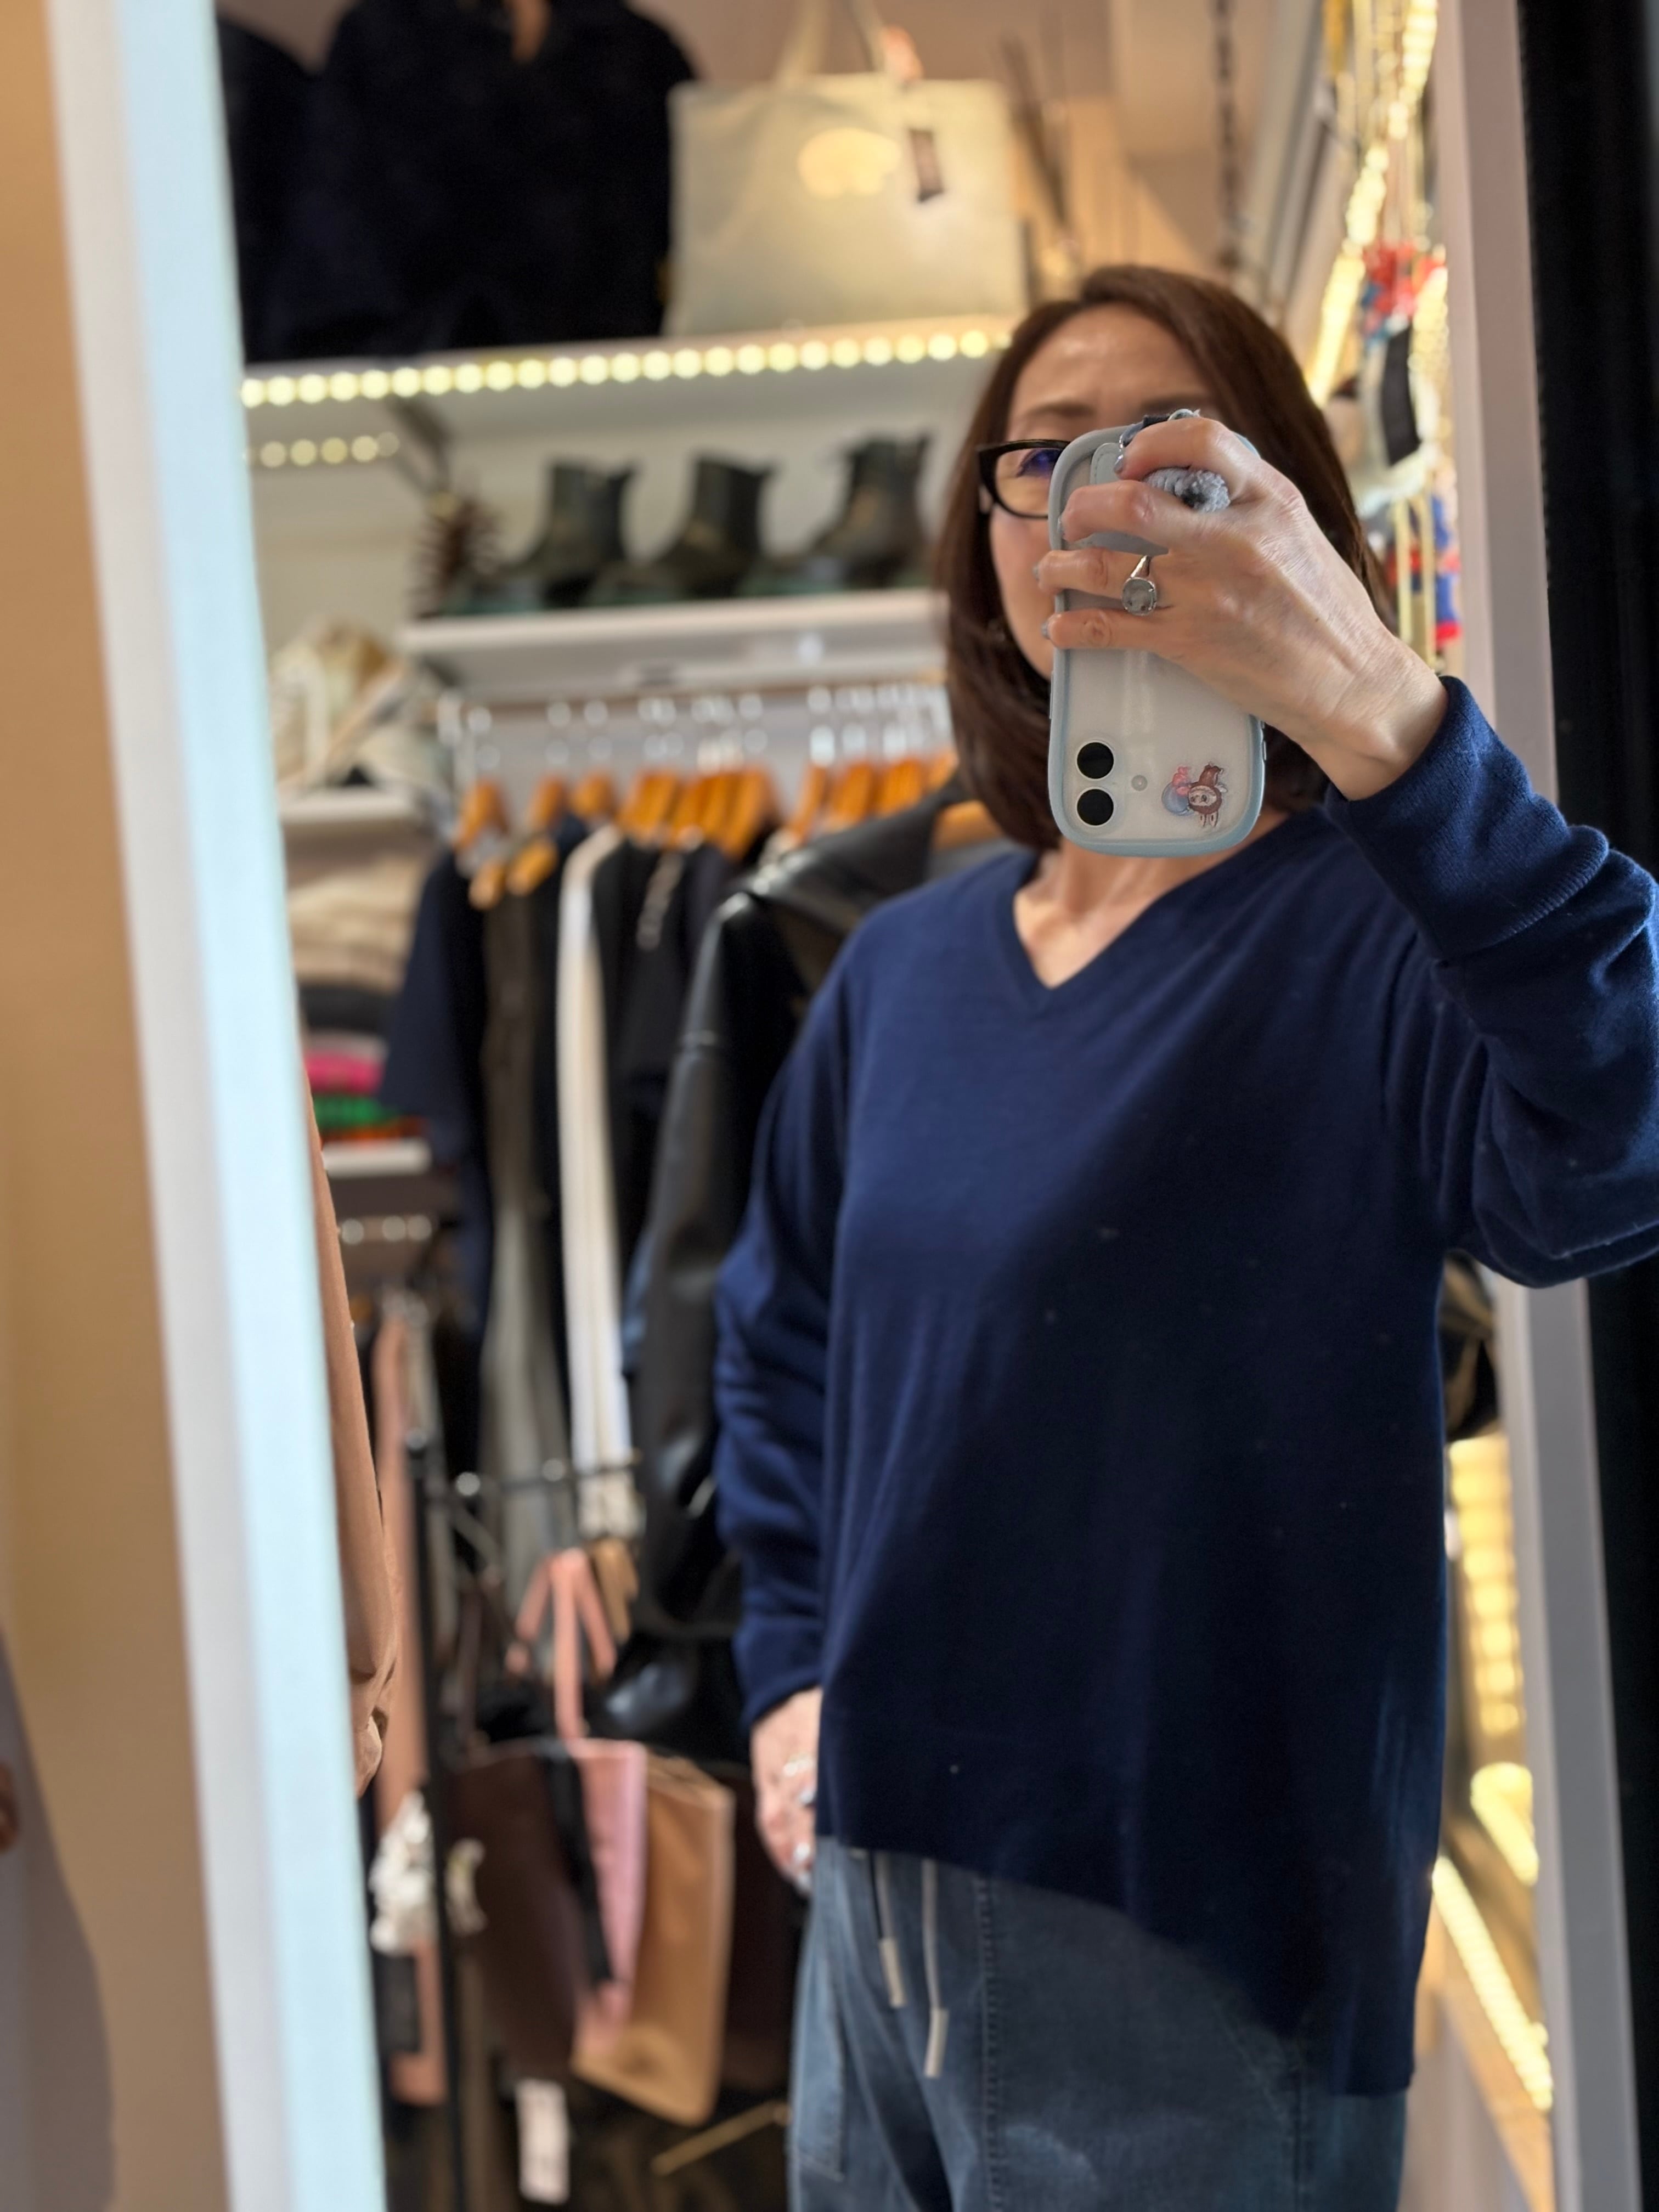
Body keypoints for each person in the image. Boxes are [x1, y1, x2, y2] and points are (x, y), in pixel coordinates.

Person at [712, 266, 1659, 2210]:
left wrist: (1387, 720)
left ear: (1284, 511)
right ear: (986, 542)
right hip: (876, 1901)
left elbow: (1619, 1149)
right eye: (1046, 458)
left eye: (1174, 456)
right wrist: (793, 1679)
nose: (1101, 503)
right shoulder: (900, 970)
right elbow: (781, 1341)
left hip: (1199, 1927)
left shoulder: (1369, 933)